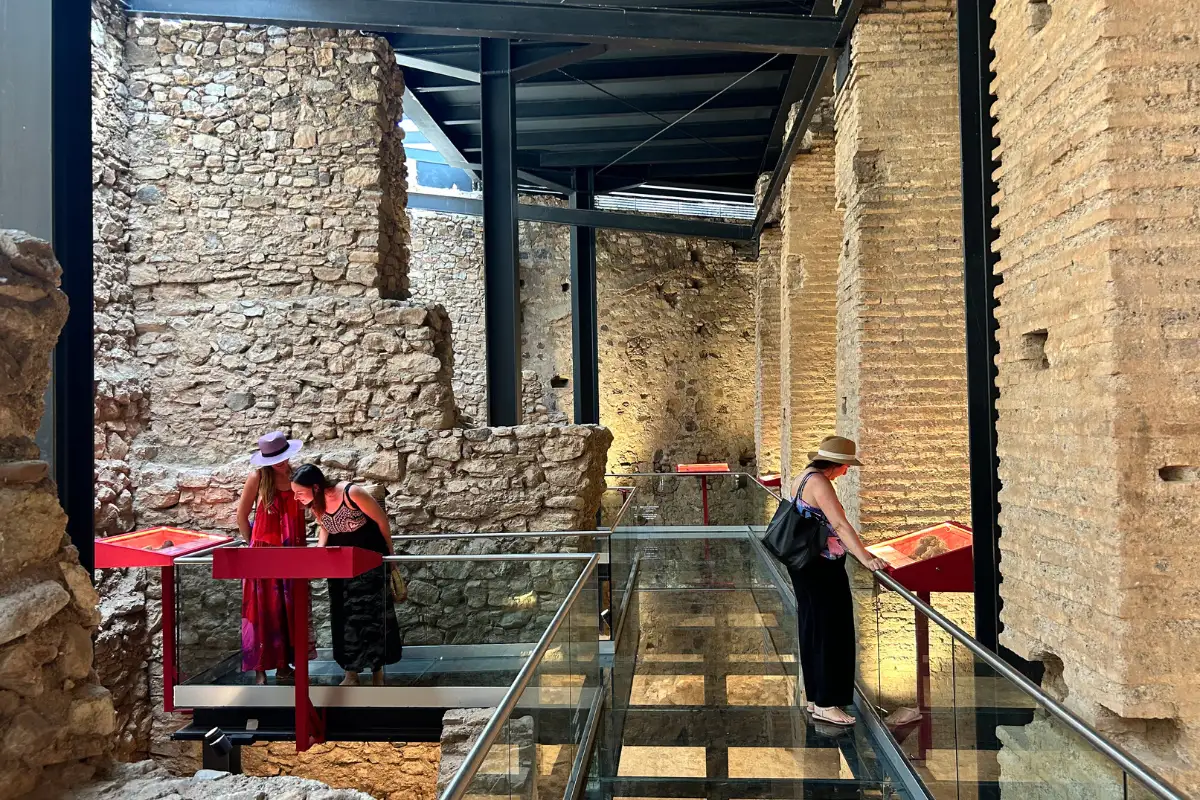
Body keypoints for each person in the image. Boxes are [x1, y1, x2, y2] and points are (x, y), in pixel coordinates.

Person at [787, 435, 888, 727]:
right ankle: (826, 703)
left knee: (812, 627)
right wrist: (865, 558)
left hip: (804, 565)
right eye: (846, 466)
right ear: (836, 464)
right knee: (830, 631)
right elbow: (840, 525)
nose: (846, 472)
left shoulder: (802, 478)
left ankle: (815, 697)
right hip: (821, 567)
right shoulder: (820, 483)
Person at [290, 464, 403, 686]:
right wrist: (319, 553)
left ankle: (377, 672)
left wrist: (391, 558)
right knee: (344, 618)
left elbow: (381, 521)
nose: (296, 497)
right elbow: (325, 526)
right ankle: (351, 673)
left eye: (299, 492)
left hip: (368, 562)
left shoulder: (352, 493)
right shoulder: (316, 503)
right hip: (339, 567)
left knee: (373, 617)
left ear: (315, 487)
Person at [235, 431, 312, 685]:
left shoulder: (297, 477)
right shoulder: (258, 478)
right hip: (264, 553)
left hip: (293, 552)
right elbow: (241, 516)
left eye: (283, 457)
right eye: (274, 459)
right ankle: (260, 669)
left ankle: (284, 666)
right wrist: (254, 546)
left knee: (290, 609)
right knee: (262, 610)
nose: (280, 462)